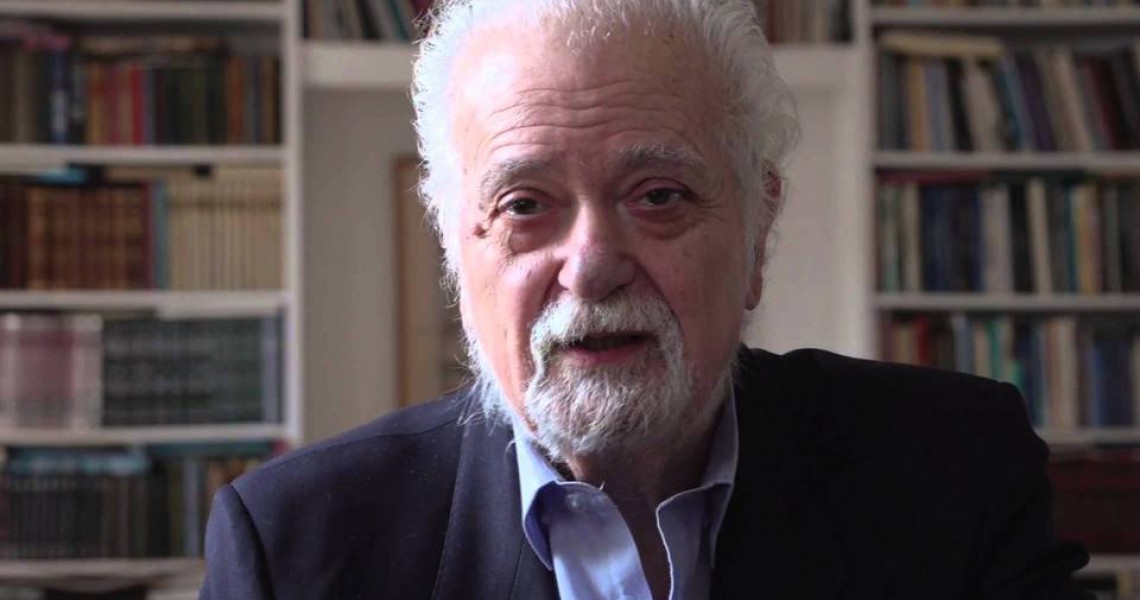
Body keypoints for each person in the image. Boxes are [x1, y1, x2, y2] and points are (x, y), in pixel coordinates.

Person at [201, 1, 1092, 598]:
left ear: (757, 231)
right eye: (525, 205)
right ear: (454, 245)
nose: (592, 267)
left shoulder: (955, 472)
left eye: (660, 195)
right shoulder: (296, 548)